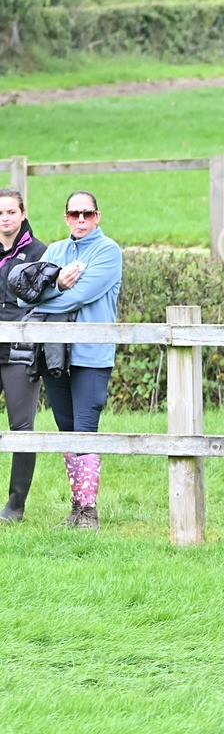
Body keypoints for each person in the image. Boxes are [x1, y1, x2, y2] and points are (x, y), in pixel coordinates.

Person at [24, 190, 123, 530]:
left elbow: (80, 295)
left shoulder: (108, 252)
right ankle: (76, 507)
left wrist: (50, 291)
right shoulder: (54, 251)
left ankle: (89, 512)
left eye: (88, 214)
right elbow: (27, 296)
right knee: (66, 429)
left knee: (85, 426)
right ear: (66, 217)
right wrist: (52, 288)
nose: (81, 219)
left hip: (91, 354)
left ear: (98, 216)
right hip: (55, 352)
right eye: (74, 213)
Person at [0, 189, 48, 522]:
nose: (5, 219)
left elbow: (43, 301)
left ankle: (15, 506)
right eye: (0, 213)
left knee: (21, 426)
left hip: (20, 350)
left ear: (22, 212)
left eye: (11, 212)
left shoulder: (38, 252)